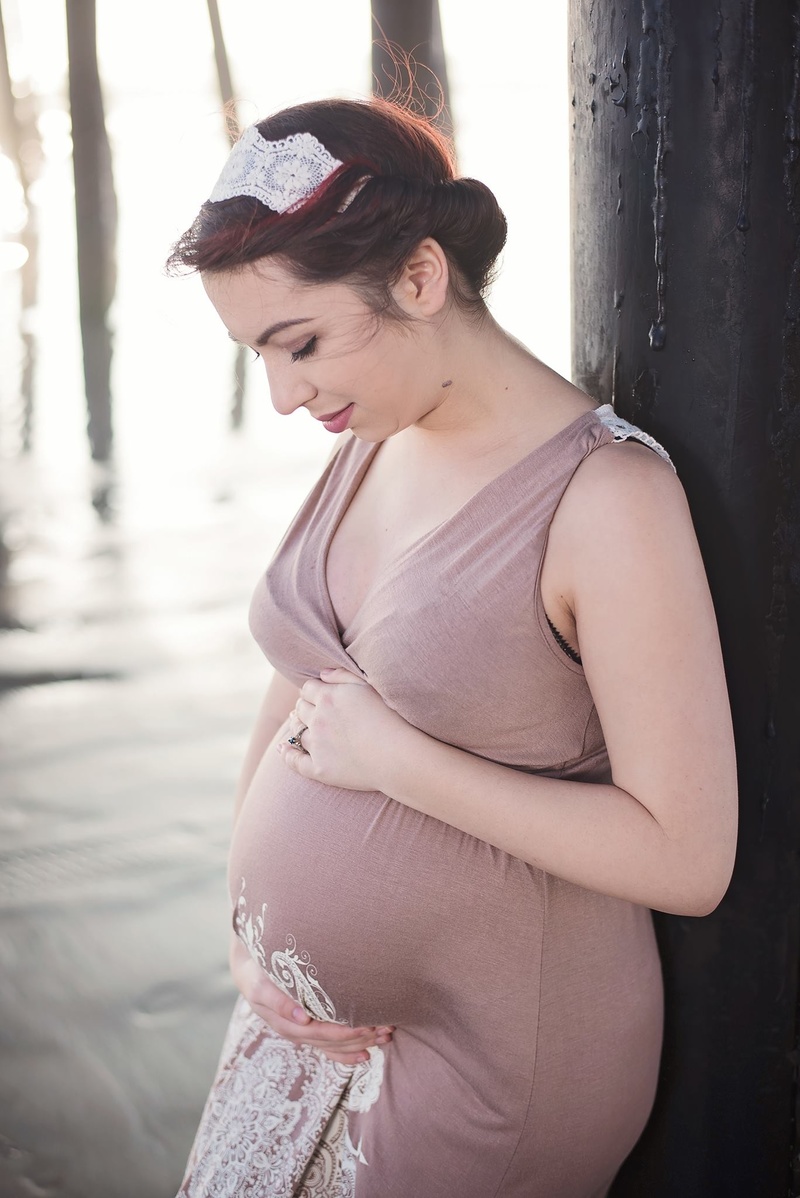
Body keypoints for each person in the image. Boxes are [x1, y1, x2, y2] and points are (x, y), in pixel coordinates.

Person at [167, 97, 738, 1198]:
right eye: (258, 358)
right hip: (302, 1030)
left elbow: (686, 857)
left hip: (491, 1065)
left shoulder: (607, 500)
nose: (285, 396)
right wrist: (248, 935)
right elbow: (306, 680)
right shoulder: (380, 426)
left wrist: (398, 764)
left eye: (301, 344)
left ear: (420, 278)